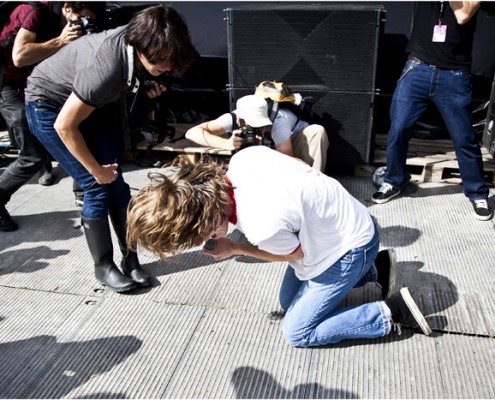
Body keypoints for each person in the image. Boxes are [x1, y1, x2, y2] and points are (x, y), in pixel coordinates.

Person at [126, 146, 432, 347]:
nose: (203, 240)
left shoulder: (260, 223)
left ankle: (391, 313)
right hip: (352, 220)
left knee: (297, 331)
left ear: (203, 218)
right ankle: (374, 269)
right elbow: (298, 164)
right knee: (289, 302)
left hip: (349, 248)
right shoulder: (244, 159)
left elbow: (293, 254)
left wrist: (235, 248)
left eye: (198, 236)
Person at [24, 5, 195, 292]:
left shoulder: (134, 46)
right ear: (142, 44)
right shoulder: (104, 67)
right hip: (49, 107)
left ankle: (131, 259)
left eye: (172, 60)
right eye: (163, 59)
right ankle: (103, 267)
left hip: (89, 105)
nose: (168, 67)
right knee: (95, 184)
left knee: (117, 184)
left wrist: (146, 85)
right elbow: (65, 126)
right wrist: (95, 170)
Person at [372, 1, 493, 221]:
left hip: (454, 75)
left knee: (464, 138)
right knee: (398, 129)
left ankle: (477, 193)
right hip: (418, 67)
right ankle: (394, 180)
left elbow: (463, 15)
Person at [0, 1, 104, 232]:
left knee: (76, 131)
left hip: (43, 84)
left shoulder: (65, 22)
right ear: (67, 7)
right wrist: (60, 41)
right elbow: (19, 56)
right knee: (31, 156)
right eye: (82, 18)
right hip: (12, 85)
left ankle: (83, 192)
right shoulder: (34, 12)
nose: (83, 23)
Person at [185, 93, 329, 172]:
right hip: (274, 153)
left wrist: (263, 150)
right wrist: (226, 143)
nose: (258, 130)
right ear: (240, 119)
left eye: (261, 125)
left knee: (317, 131)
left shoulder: (279, 122)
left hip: (294, 146)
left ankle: (315, 186)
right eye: (252, 125)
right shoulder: (233, 118)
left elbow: (288, 163)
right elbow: (191, 133)